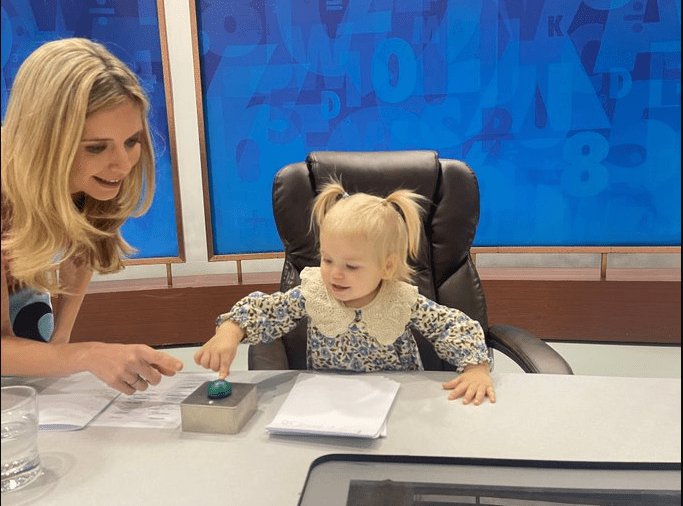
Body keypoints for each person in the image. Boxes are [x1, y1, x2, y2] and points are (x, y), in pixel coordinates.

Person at [195, 182, 496, 405]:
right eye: (327, 259)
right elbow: (266, 311)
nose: (335, 273)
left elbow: (453, 325)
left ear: (387, 267)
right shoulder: (314, 294)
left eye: (351, 266)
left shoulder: (402, 300)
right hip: (329, 404)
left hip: (396, 403)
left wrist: (476, 369)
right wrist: (230, 332)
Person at [1, 38, 183, 394]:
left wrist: (61, 344)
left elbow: (86, 247)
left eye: (132, 141)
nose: (122, 164)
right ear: (46, 142)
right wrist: (86, 355)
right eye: (97, 147)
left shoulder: (88, 182)